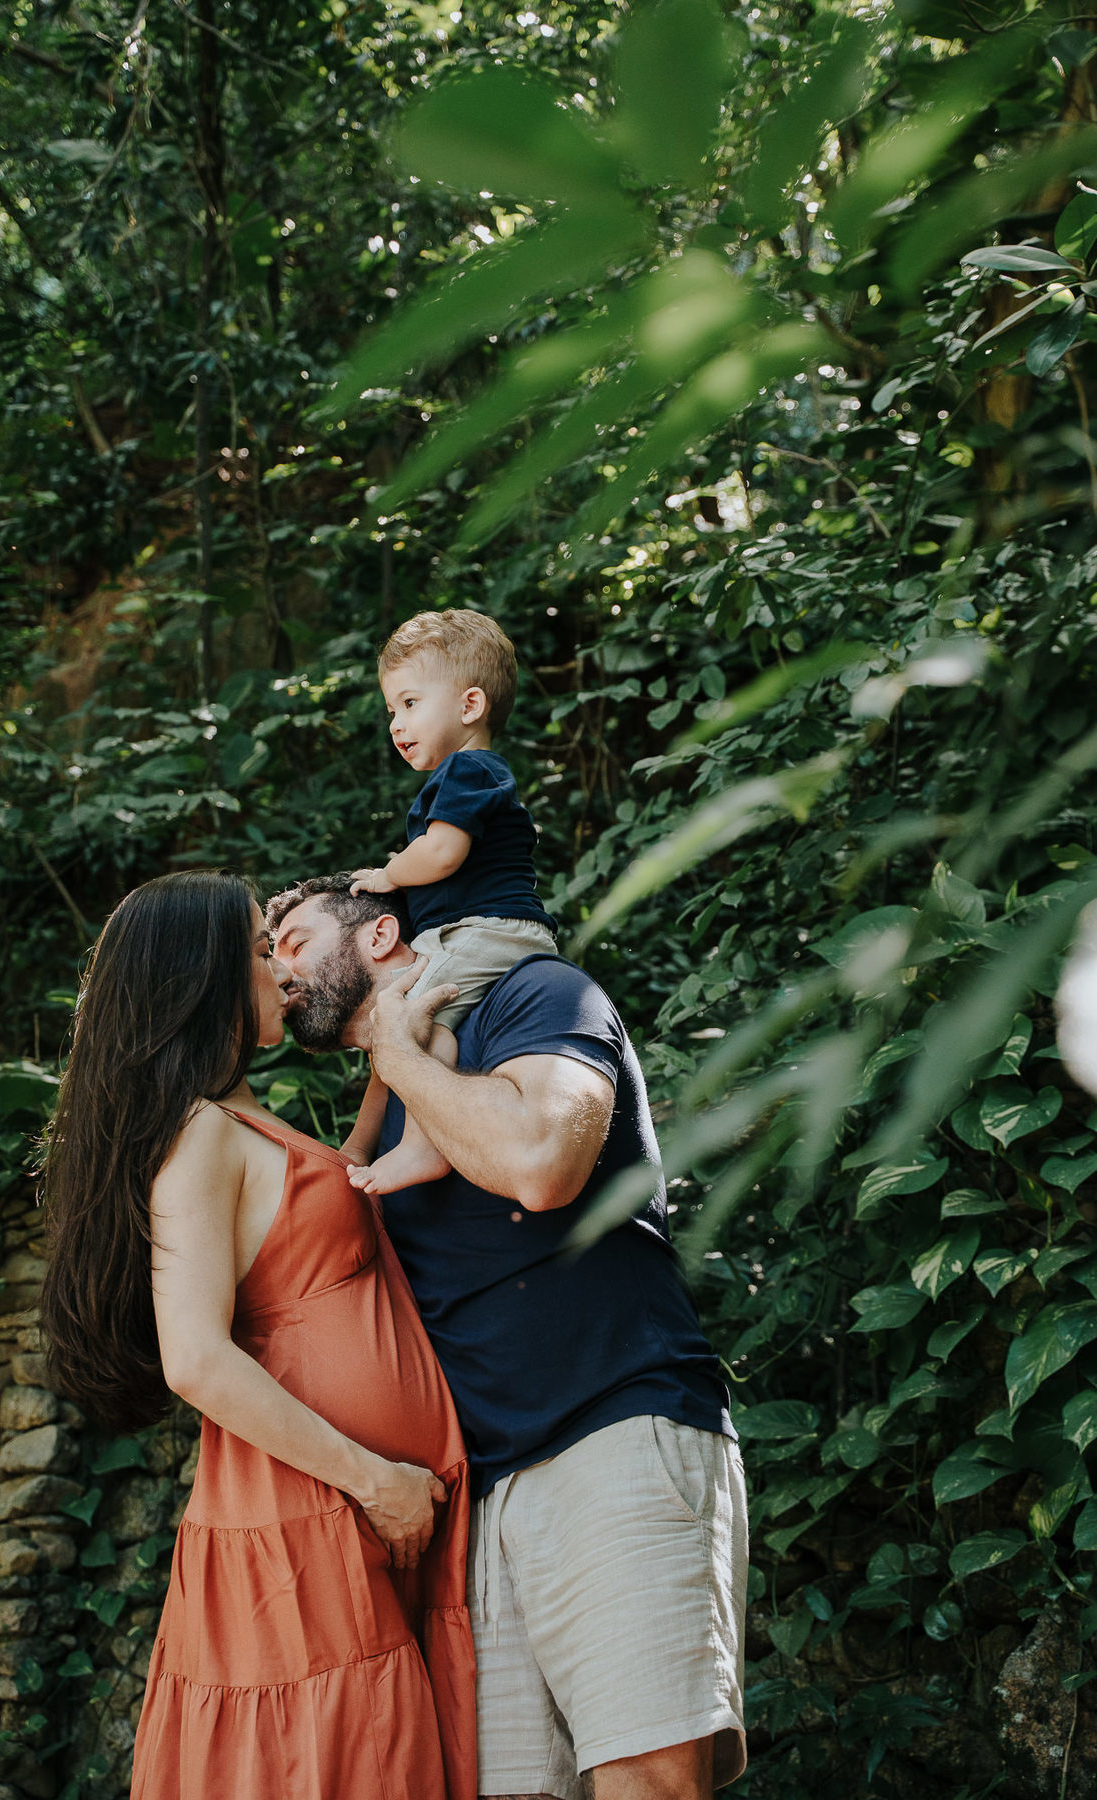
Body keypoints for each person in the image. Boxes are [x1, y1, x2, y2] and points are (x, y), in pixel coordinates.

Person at [267, 873, 748, 1800]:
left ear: (376, 936)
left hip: (617, 1426)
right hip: (481, 1495)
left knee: (646, 1776)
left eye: (294, 940)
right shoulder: (382, 1120)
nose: (279, 968)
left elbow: (542, 1162)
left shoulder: (540, 995)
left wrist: (398, 1054)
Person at [38, 870, 476, 1800]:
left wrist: (390, 1052)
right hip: (302, 1520)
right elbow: (194, 1356)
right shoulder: (197, 1133)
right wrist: (374, 1478)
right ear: (201, 975)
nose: (279, 968)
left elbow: (333, 1198)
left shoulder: (240, 1114)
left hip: (336, 1517)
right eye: (253, 947)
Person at [343, 609, 556, 1196]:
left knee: (415, 1020)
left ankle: (421, 1149)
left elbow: (440, 856)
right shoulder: (464, 775)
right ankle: (365, 1141)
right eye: (391, 710)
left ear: (469, 706)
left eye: (409, 703)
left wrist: (390, 873)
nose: (396, 722)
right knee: (399, 1015)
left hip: (492, 928)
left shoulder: (468, 769)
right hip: (468, 929)